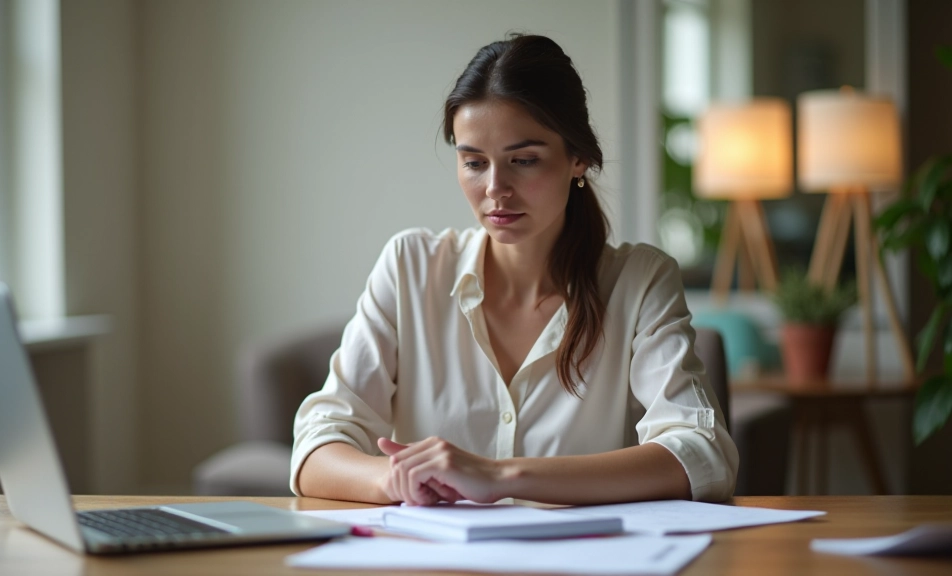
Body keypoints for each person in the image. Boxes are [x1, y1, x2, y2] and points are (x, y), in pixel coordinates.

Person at [290, 34, 738, 506]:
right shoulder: (411, 266)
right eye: (474, 163)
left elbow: (703, 454)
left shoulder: (639, 280)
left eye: (524, 160)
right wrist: (394, 480)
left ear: (578, 158)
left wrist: (499, 476)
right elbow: (317, 446)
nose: (495, 189)